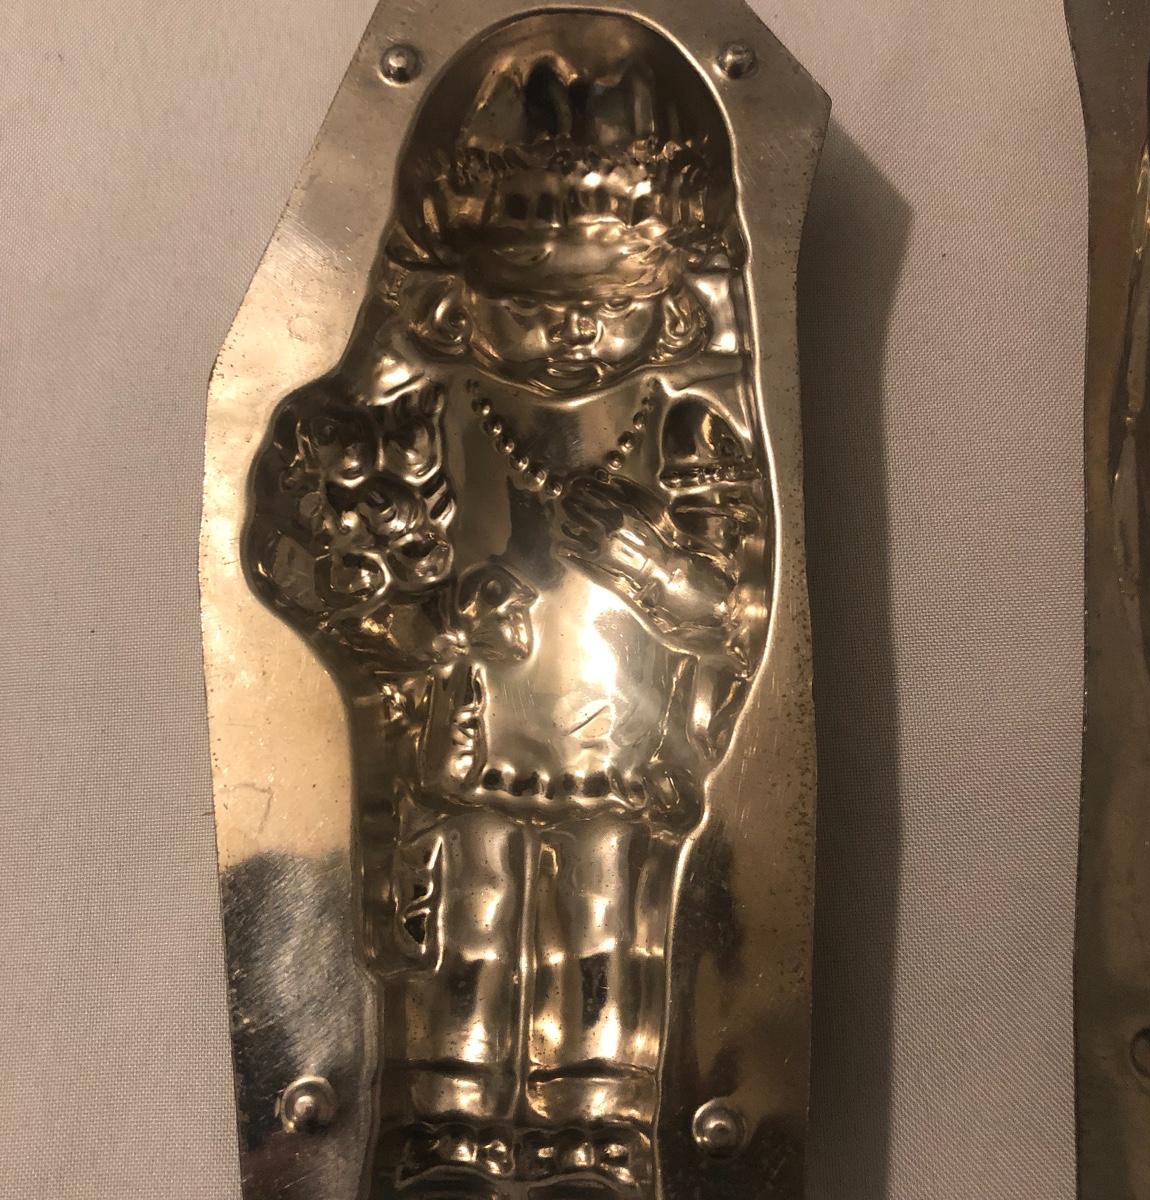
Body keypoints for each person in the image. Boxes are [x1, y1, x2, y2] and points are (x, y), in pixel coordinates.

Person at [246, 16, 772, 1195]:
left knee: (604, 924)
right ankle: (448, 1104)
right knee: (471, 922)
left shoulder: (682, 429)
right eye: (535, 305)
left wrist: (654, 568)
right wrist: (438, 621)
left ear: (668, 303)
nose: (574, 334)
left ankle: (595, 1109)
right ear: (459, 303)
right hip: (476, 732)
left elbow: (737, 606)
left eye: (608, 304)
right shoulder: (432, 417)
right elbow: (367, 582)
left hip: (615, 746)